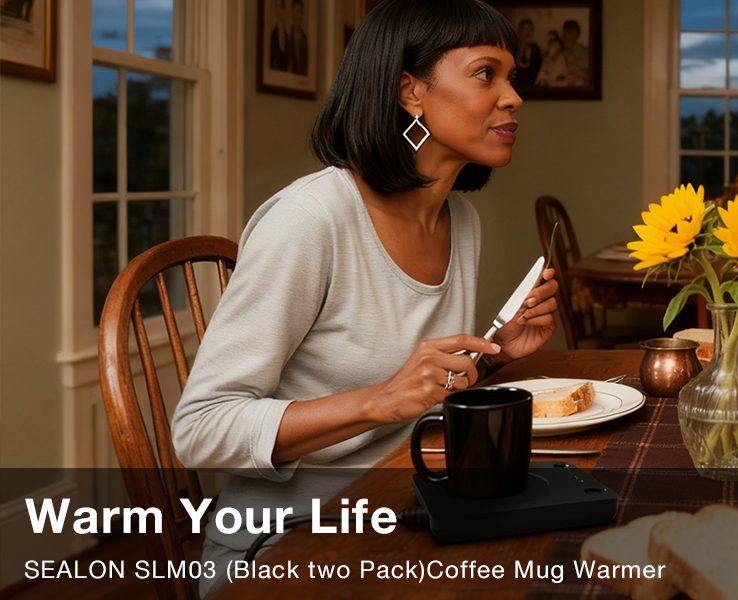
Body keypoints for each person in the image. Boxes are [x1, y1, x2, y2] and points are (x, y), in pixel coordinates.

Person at [172, 1, 554, 595]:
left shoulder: (462, 218)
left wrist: (494, 355)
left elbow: (413, 396)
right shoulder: (310, 220)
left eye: (511, 77)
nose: (513, 97)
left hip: (404, 510)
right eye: (486, 74)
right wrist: (378, 401)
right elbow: (201, 429)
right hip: (280, 546)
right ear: (411, 93)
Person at [514, 18, 543, 89]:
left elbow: (537, 70)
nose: (528, 33)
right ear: (520, 31)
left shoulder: (535, 49)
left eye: (531, 29)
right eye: (526, 29)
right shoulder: (514, 47)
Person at [561, 19, 590, 87]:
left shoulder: (584, 51)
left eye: (567, 32)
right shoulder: (561, 51)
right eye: (564, 32)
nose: (564, 35)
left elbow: (584, 69)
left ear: (575, 33)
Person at [267, 0, 290, 72]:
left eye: (281, 6)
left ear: (283, 8)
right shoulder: (274, 33)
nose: (279, 10)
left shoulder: (286, 32)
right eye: (277, 6)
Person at [289, 0, 309, 75]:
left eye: (299, 11)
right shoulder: (289, 35)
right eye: (295, 10)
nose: (297, 14)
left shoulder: (304, 38)